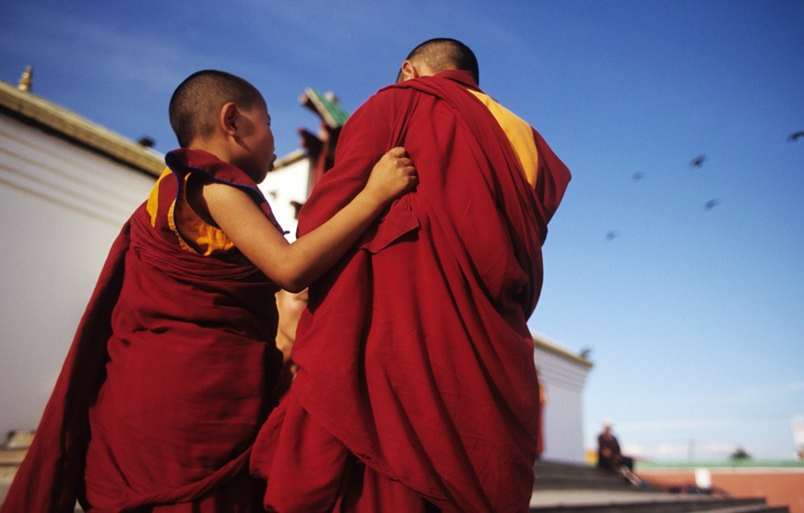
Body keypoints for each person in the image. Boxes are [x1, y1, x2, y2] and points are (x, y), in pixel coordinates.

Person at [1, 69, 416, 513]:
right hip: (188, 409)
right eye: (269, 123)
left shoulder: (168, 193)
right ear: (232, 121)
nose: (275, 139)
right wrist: (373, 196)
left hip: (150, 398)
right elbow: (290, 268)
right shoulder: (214, 185)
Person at [250, 39, 571, 511]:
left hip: (393, 341)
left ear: (409, 70)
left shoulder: (399, 101)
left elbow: (321, 220)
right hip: (485, 347)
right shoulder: (529, 144)